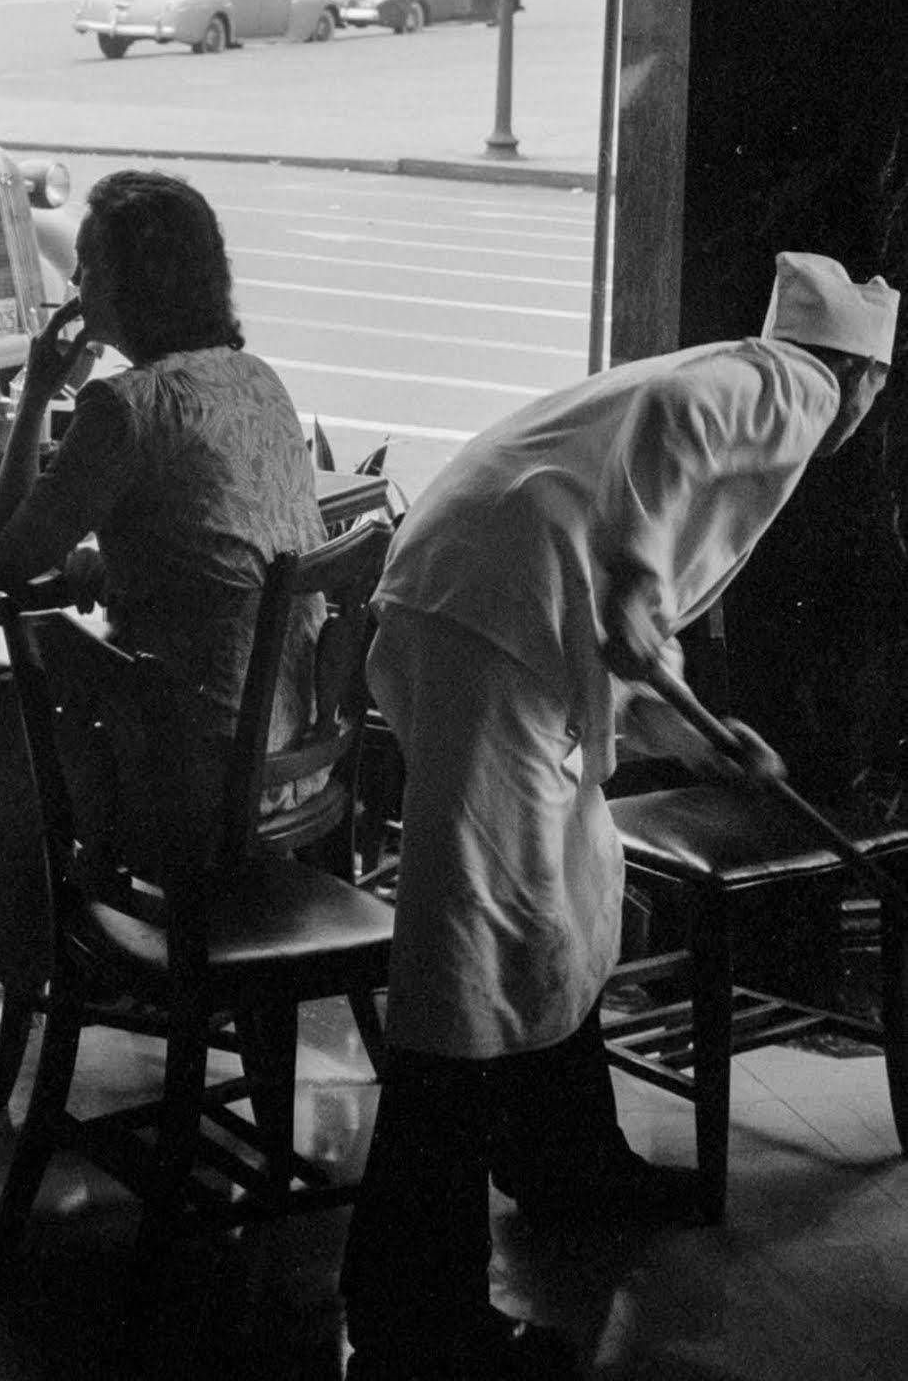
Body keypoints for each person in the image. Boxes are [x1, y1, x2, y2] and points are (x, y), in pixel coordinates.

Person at [339, 250, 899, 1381]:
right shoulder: (791, 384)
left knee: (565, 896)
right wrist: (641, 592)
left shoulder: (740, 377)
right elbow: (659, 476)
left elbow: (626, 563)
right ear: (863, 373)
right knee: (469, 949)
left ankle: (563, 1162)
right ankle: (411, 1305)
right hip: (485, 622)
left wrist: (693, 731)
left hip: (478, 608)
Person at [0, 171, 328, 968]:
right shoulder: (254, 381)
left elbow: (6, 555)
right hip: (290, 757)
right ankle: (61, 951)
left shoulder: (125, 407)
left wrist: (36, 396)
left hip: (189, 773)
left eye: (90, 268)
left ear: (137, 284)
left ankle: (53, 960)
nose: (75, 284)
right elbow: (219, 554)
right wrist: (110, 570)